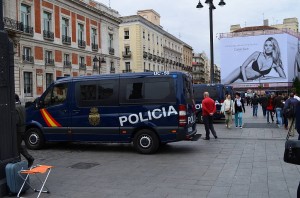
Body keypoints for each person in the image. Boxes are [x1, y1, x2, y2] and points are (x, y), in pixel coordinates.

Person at [15, 94, 34, 168]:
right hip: (23, 128)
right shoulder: (22, 106)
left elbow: (16, 121)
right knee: (18, 145)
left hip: (18, 130)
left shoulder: (15, 108)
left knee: (16, 147)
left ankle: (24, 159)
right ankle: (28, 158)